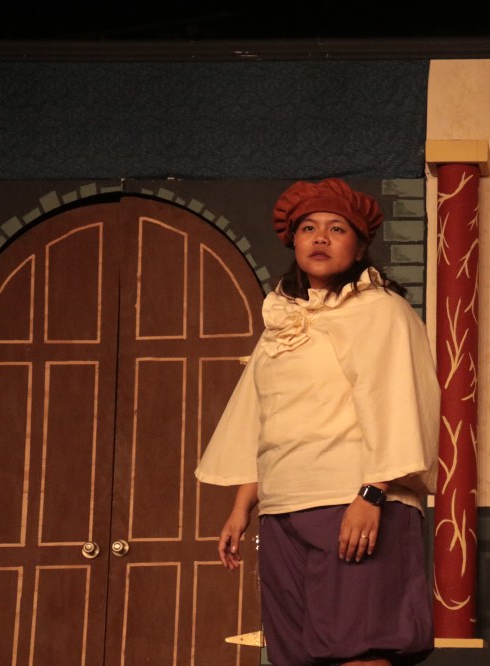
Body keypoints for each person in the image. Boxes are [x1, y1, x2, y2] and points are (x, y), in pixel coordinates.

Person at [196, 178, 440, 666]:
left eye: (337, 229)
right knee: (297, 653)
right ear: (294, 241)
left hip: (353, 500)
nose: (321, 238)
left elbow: (399, 402)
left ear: (360, 246)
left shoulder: (382, 311)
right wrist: (243, 507)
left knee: (362, 646)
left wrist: (372, 494)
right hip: (285, 507)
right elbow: (260, 415)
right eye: (309, 228)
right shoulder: (283, 323)